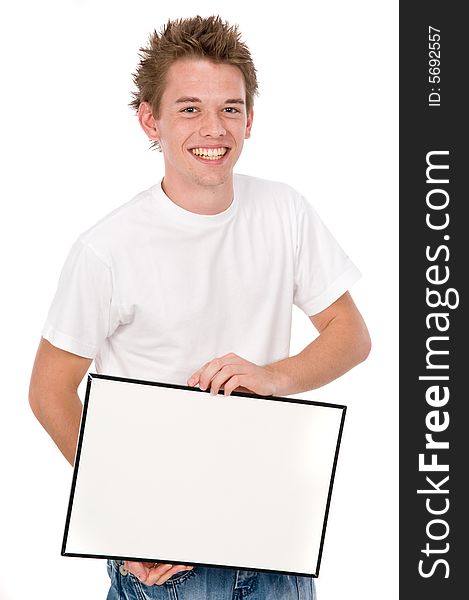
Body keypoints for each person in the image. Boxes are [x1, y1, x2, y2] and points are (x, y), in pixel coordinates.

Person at [29, 14, 371, 600]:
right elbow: (49, 391)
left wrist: (274, 375)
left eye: (230, 108)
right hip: (170, 559)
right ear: (150, 120)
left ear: (250, 118)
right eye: (188, 108)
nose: (213, 128)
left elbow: (351, 334)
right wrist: (120, 517)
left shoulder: (284, 210)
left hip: (274, 538)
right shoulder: (107, 249)